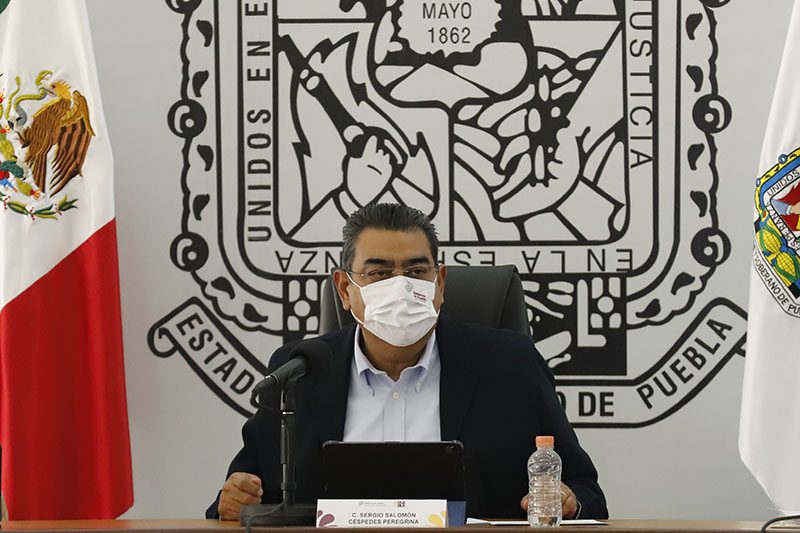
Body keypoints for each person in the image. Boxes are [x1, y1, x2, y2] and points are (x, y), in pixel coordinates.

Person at [207, 203, 607, 520]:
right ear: (345, 289)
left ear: (440, 283)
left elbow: (585, 490)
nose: (400, 286)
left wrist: (568, 501)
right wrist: (234, 501)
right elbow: (242, 497)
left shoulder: (510, 366)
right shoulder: (300, 373)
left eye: (416, 271)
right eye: (379, 273)